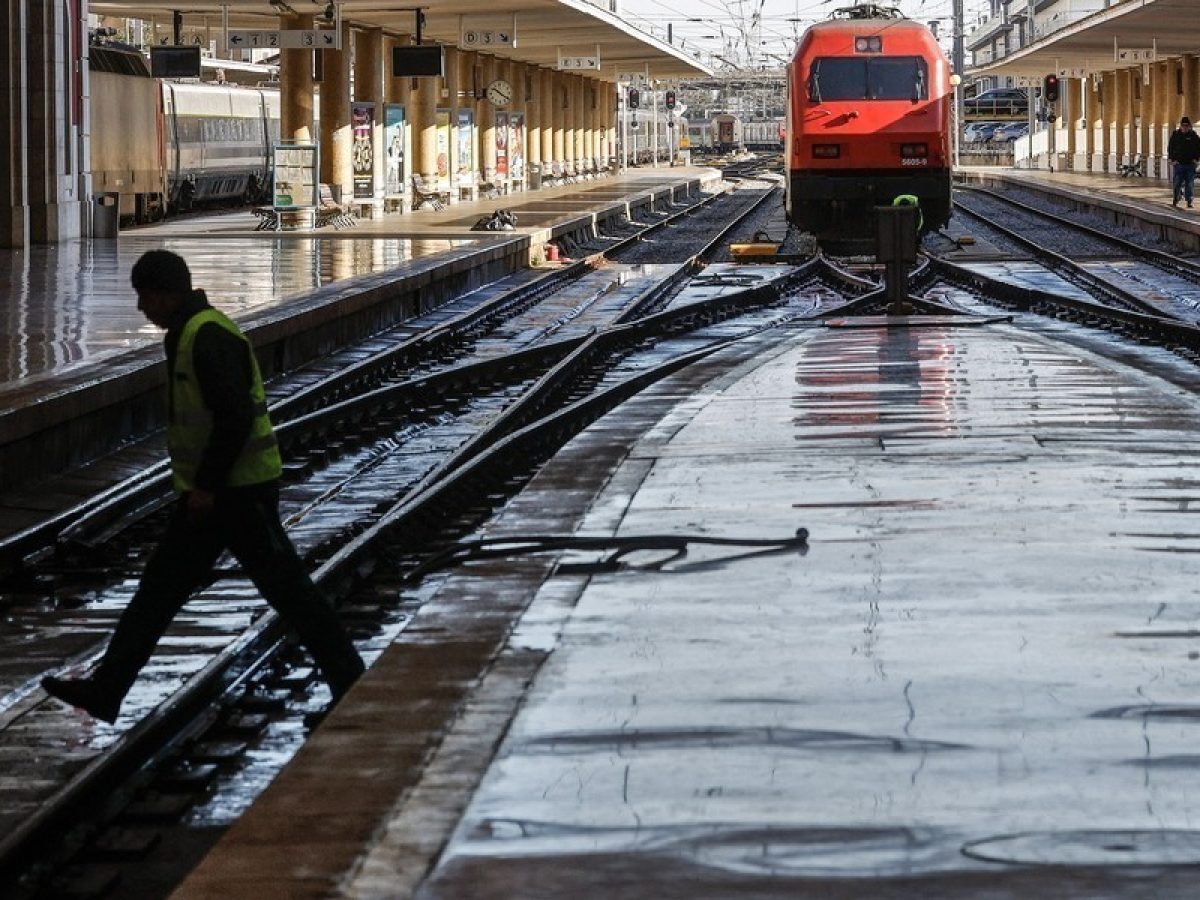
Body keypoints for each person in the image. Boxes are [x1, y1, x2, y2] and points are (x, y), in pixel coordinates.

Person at [42, 250, 364, 724]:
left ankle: (350, 681)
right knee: (159, 591)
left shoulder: (207, 336)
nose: (140, 309)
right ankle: (106, 690)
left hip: (239, 494)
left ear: (165, 294)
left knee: (290, 593)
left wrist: (208, 487)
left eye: (144, 297)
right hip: (216, 496)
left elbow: (233, 418)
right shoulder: (189, 333)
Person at [1168, 116, 1200, 208]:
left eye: (1187, 126)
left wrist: (1196, 159)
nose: (1185, 127)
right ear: (1181, 126)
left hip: (1190, 164)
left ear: (1189, 126)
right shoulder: (1176, 135)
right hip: (1178, 164)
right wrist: (1172, 160)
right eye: (1183, 125)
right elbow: (1170, 147)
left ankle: (1189, 200)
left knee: (1189, 183)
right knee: (1177, 182)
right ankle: (1176, 198)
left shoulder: (1193, 136)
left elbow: (1198, 148)